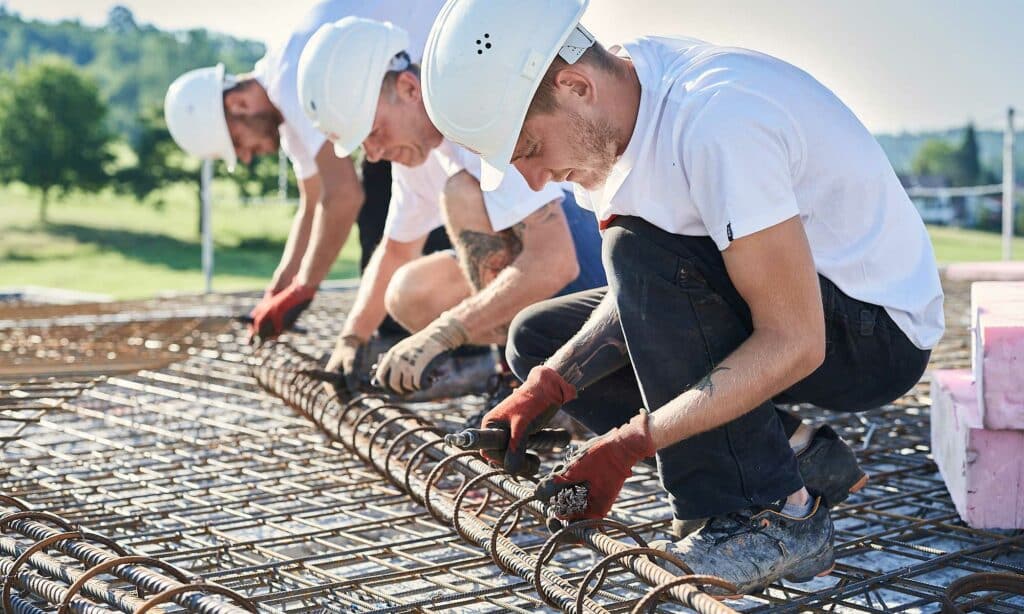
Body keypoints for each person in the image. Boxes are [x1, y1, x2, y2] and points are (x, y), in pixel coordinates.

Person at [421, 0, 945, 594]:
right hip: (794, 310)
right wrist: (548, 386)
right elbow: (649, 299)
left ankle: (774, 517)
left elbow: (795, 340)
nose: (536, 180)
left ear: (574, 86)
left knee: (635, 250)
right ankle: (796, 455)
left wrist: (627, 445)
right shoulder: (618, 116)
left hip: (871, 333)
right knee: (537, 339)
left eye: (530, 150)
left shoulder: (718, 120)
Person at [298, 17, 606, 395]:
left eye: (374, 132)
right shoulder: (418, 151)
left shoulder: (474, 118)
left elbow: (556, 261)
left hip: (595, 281)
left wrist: (445, 333)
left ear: (410, 88)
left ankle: (539, 380)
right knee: (407, 291)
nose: (374, 154)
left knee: (460, 193)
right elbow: (397, 250)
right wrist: (351, 339)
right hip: (554, 281)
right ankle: (506, 368)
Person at [162, 0, 448, 341]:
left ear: (237, 105)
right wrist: (278, 290)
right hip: (419, 83)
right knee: (385, 187)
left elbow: (343, 196)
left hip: (437, 71)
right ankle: (394, 339)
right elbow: (313, 203)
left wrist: (304, 288)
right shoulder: (286, 96)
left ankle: (436, 349)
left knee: (384, 197)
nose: (249, 158)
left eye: (238, 143)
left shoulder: (292, 80)